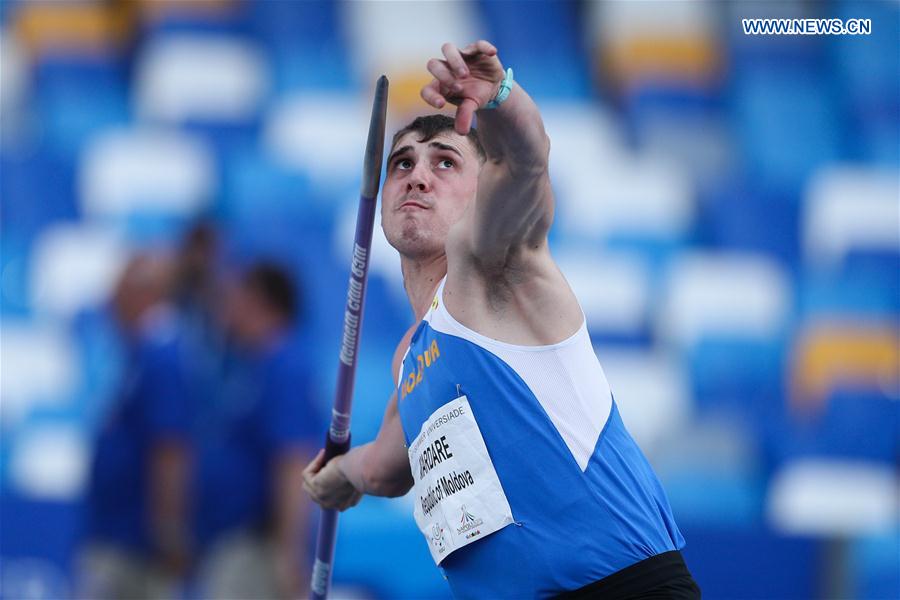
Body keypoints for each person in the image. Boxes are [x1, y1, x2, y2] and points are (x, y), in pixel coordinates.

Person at [302, 40, 701, 598]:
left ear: (481, 191)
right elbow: (386, 468)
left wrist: (499, 100)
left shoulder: (493, 266)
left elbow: (526, 160)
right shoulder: (411, 356)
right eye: (402, 164)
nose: (418, 177)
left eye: (444, 161)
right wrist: (336, 477)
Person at [194, 262, 319, 600]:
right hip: (234, 541)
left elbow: (293, 460)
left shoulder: (284, 364)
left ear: (258, 300)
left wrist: (288, 551)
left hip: (257, 547)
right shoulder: (250, 364)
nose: (226, 308)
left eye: (234, 297)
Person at [81, 252, 193, 599]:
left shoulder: (160, 356)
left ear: (144, 294)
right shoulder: (140, 353)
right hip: (119, 533)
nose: (111, 302)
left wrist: (167, 529)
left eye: (120, 290)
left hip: (136, 544)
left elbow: (169, 448)